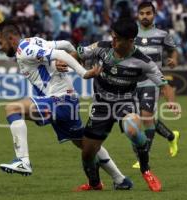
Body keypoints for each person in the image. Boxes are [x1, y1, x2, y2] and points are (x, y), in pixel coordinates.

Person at [0, 19, 133, 190]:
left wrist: (84, 73)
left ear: (11, 39)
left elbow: (62, 54)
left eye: (0, 42)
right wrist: (74, 59)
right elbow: (66, 44)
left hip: (60, 100)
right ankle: (120, 180)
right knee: (85, 144)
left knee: (12, 108)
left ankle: (23, 161)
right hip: (66, 100)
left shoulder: (25, 49)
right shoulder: (33, 41)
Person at [57, 18, 180, 192]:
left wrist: (171, 102)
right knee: (87, 152)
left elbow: (164, 84)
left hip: (125, 103)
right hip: (101, 106)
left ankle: (146, 170)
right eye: (112, 36)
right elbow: (78, 52)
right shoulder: (101, 46)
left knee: (133, 128)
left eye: (118, 39)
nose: (113, 41)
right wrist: (65, 61)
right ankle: (95, 184)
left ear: (130, 40)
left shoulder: (143, 61)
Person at [131, 1, 180, 169]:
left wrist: (173, 59)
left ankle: (143, 157)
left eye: (148, 13)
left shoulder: (162, 34)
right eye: (142, 13)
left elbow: (173, 49)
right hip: (132, 82)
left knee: (145, 116)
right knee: (144, 119)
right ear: (138, 15)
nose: (145, 16)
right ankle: (171, 136)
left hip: (152, 80)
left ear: (154, 14)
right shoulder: (131, 33)